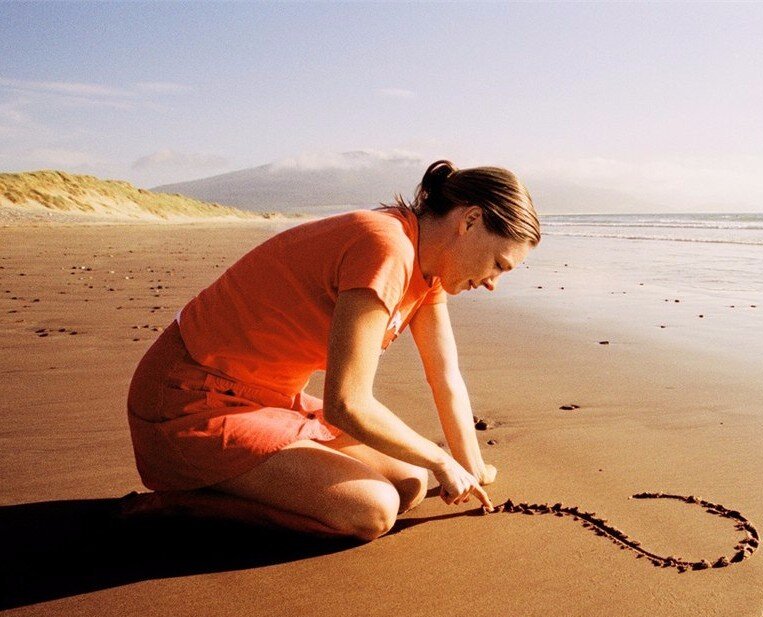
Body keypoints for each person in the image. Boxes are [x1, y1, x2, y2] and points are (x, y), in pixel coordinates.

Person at [126, 159, 541, 541]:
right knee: (373, 511)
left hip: (269, 400)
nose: (492, 283)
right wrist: (441, 460)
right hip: (188, 399)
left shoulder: (429, 269)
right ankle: (186, 504)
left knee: (409, 483)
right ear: (470, 220)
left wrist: (470, 467)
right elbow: (346, 404)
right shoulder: (386, 247)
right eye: (500, 264)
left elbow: (445, 376)